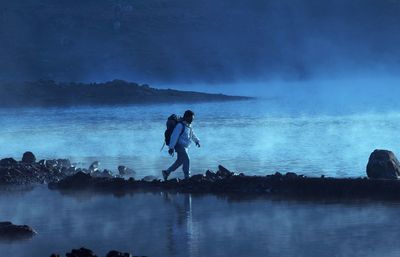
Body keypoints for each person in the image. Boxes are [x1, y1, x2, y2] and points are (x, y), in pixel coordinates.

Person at [162, 110, 200, 180]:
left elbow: (192, 134)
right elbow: (174, 136)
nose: (192, 120)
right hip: (179, 145)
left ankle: (166, 172)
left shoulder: (189, 125)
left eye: (193, 119)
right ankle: (187, 177)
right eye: (191, 119)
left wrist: (197, 141)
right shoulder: (180, 125)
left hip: (185, 146)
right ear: (186, 117)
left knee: (180, 161)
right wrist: (171, 147)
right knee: (187, 159)